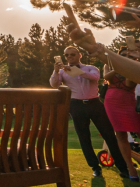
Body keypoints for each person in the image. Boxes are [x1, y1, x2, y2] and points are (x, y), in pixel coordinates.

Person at [50, 46, 129, 179]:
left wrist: (75, 71)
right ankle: (95, 167)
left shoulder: (90, 68)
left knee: (109, 135)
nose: (69, 57)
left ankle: (123, 167)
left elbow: (94, 77)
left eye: (72, 54)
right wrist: (56, 71)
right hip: (76, 105)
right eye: (67, 55)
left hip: (94, 104)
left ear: (79, 55)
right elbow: (54, 84)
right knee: (84, 138)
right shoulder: (62, 72)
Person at [103, 46, 140, 181]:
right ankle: (130, 168)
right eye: (122, 55)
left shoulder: (135, 68)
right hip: (112, 101)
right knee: (120, 134)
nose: (125, 58)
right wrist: (118, 67)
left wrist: (129, 67)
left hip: (129, 101)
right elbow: (106, 77)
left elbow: (130, 84)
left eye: (128, 56)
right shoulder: (109, 64)